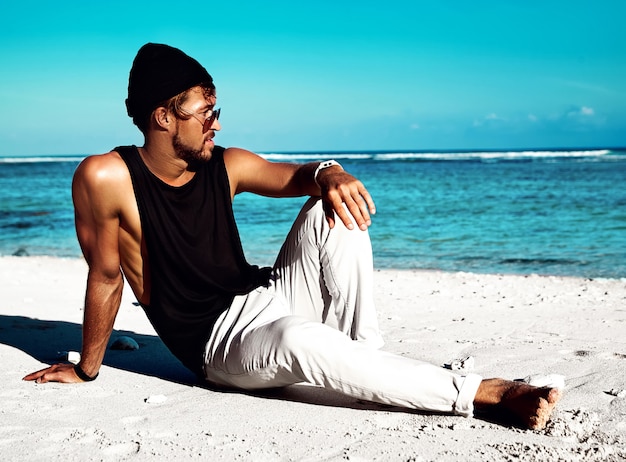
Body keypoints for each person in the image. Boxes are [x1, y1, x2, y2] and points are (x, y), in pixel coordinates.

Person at [23, 43, 561, 430]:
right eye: (205, 112)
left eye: (217, 110)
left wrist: (328, 171)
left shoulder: (225, 164)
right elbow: (107, 275)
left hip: (269, 296)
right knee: (299, 341)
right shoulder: (105, 177)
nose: (216, 123)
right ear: (164, 116)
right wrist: (86, 370)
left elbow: (296, 177)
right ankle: (488, 392)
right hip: (219, 345)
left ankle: (363, 358)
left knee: (334, 208)